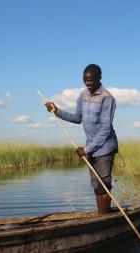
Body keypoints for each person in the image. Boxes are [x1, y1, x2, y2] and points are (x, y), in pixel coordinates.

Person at [45, 64, 118, 215]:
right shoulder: (83, 95)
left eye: (91, 82)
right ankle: (101, 216)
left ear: (99, 78)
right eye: (85, 82)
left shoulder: (107, 98)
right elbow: (78, 118)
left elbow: (105, 128)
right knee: (96, 185)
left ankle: (104, 219)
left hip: (105, 147)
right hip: (91, 147)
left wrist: (86, 150)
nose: (88, 85)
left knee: (104, 183)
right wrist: (57, 111)